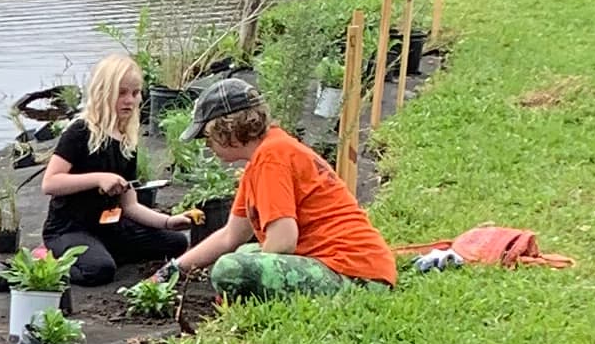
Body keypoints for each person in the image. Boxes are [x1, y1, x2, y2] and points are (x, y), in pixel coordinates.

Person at [171, 82, 398, 298]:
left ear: (227, 130)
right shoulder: (266, 155)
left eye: (207, 137)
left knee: (229, 269)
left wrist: (249, 279)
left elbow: (283, 242)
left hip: (355, 276)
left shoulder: (271, 158)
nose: (206, 145)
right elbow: (230, 236)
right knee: (242, 254)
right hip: (354, 267)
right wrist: (173, 270)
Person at [41, 56, 197, 281]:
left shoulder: (126, 139)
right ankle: (54, 261)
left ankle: (99, 252)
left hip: (109, 226)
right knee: (99, 271)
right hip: (69, 228)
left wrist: (167, 221)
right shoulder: (80, 131)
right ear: (104, 93)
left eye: (135, 93)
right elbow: (50, 183)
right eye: (121, 93)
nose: (129, 101)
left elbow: (130, 204)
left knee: (177, 242)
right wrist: (98, 179)